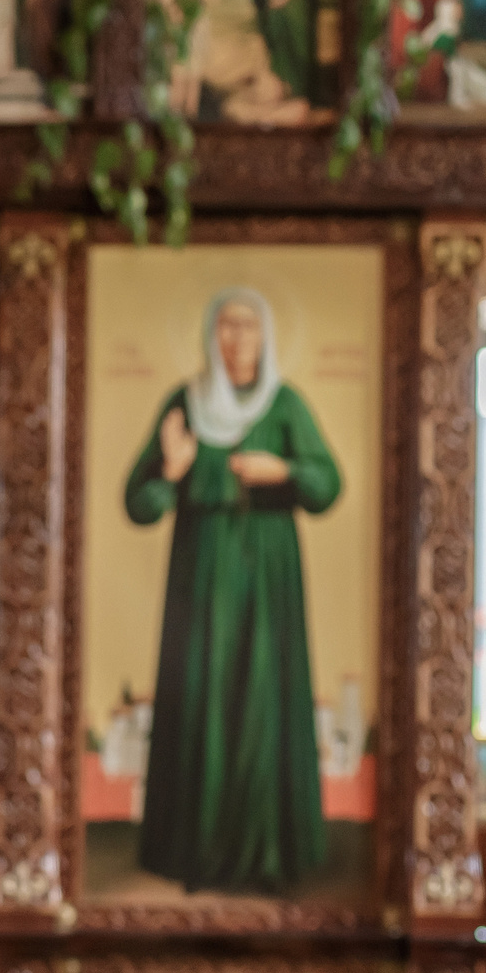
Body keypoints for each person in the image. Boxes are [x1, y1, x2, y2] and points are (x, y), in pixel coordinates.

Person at [121, 287, 341, 895]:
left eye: (248, 327)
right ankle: (195, 852)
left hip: (269, 577)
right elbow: (138, 503)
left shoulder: (285, 405)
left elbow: (328, 484)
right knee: (201, 702)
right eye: (226, 327)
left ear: (265, 336)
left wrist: (287, 472)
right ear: (210, 336)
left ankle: (269, 856)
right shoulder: (185, 405)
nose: (238, 340)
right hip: (201, 574)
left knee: (264, 703)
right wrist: (172, 471)